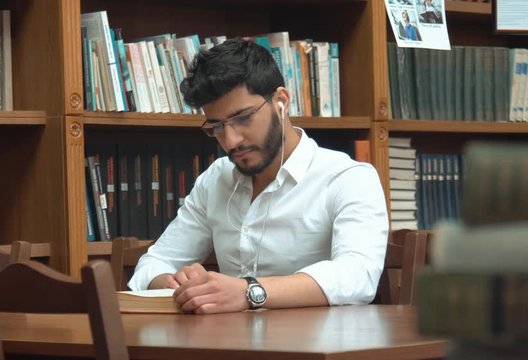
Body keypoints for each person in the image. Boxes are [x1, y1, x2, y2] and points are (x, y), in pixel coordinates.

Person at [128, 38, 389, 314]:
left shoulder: (348, 178)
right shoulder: (216, 180)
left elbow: (357, 276)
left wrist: (248, 291)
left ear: (281, 101)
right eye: (216, 126)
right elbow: (152, 265)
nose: (230, 141)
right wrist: (179, 285)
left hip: (320, 350)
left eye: (243, 117)